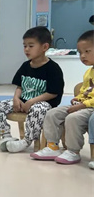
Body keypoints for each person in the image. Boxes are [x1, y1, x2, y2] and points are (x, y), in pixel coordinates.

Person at [0, 26, 64, 153]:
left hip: (43, 104)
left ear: (45, 47)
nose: (26, 49)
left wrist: (32, 102)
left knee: (38, 109)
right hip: (23, 102)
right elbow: (19, 86)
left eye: (31, 46)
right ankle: (6, 135)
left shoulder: (53, 68)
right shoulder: (25, 66)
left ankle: (27, 140)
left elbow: (53, 93)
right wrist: (16, 98)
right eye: (24, 46)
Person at [31, 30, 94, 164]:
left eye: (87, 51)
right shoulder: (89, 72)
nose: (83, 56)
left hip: (90, 108)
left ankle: (73, 151)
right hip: (82, 105)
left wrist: (83, 105)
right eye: (80, 52)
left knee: (73, 118)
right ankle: (52, 146)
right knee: (52, 113)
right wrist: (78, 98)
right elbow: (85, 90)